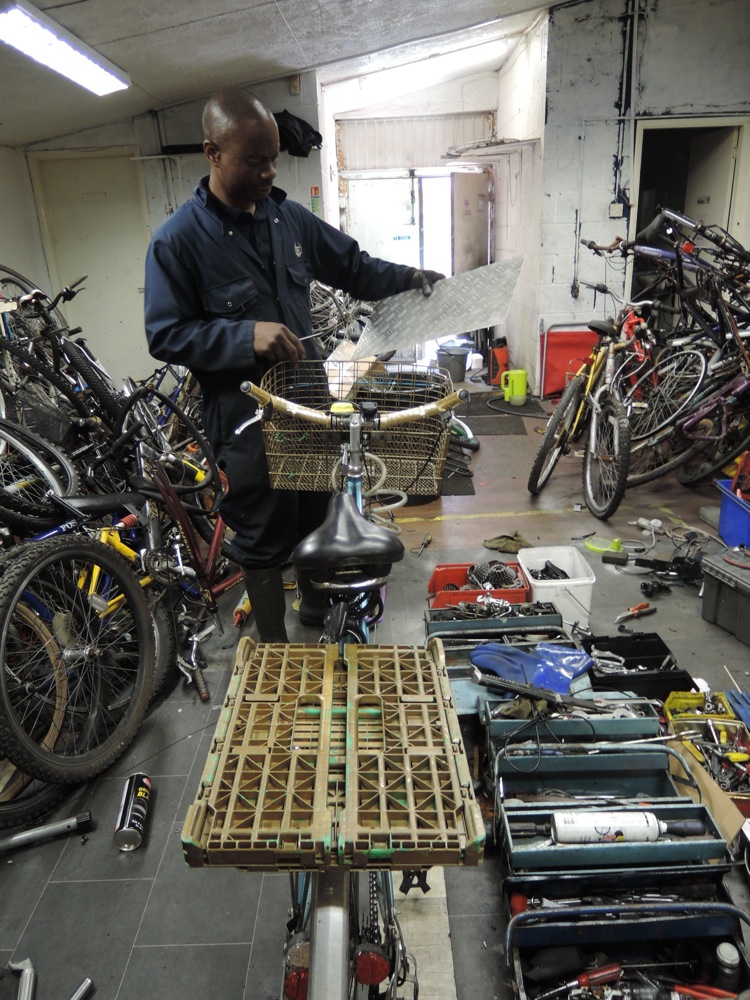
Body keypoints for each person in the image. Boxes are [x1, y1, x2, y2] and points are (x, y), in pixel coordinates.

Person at [144, 87, 443, 642]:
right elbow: (165, 334)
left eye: (274, 158)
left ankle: (313, 612)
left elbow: (354, 266)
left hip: (309, 403)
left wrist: (409, 278)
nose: (268, 172)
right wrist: (244, 336)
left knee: (315, 515)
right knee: (260, 533)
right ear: (213, 152)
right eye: (254, 160)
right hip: (246, 419)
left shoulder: (289, 220)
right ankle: (276, 648)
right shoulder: (178, 241)